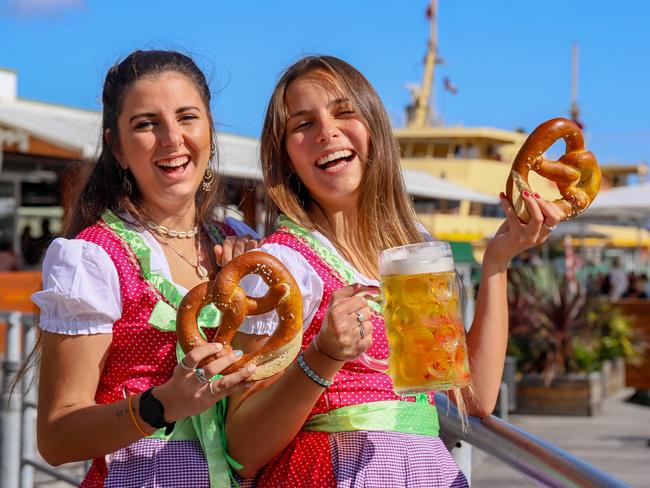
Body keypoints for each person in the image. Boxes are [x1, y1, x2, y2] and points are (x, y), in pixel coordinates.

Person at [223, 55, 564, 487]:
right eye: (302, 124)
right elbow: (243, 449)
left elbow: (472, 395)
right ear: (286, 155)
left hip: (423, 471)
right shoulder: (280, 268)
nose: (327, 131)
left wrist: (497, 262)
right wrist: (322, 357)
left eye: (344, 112)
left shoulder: (411, 250)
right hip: (328, 473)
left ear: (374, 130)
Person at [30, 50, 260, 487]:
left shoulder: (241, 240)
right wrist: (163, 404)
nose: (172, 138)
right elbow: (56, 437)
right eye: (146, 124)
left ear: (209, 127)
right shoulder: (93, 258)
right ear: (116, 146)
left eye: (187, 117)